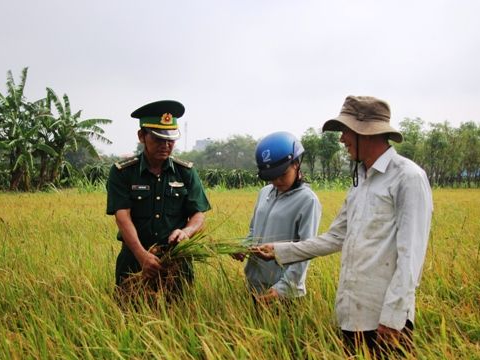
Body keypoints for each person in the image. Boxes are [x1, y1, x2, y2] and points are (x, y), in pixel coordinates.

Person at [253, 96, 433, 358]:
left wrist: (394, 317)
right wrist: (279, 251)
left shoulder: (407, 177)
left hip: (385, 319)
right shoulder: (361, 178)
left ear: (366, 132)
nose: (342, 139)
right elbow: (336, 237)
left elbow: (411, 257)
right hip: (352, 314)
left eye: (346, 131)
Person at [106, 100, 211, 300]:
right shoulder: (123, 172)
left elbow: (198, 213)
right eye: (158, 139)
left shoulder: (185, 172)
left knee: (178, 320)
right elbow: (122, 216)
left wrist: (186, 232)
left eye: (170, 140)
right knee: (128, 318)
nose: (165, 145)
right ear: (142, 136)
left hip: (176, 262)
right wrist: (141, 255)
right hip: (134, 261)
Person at [235, 131, 321, 303]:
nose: (277, 181)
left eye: (282, 174)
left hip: (283, 292)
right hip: (255, 284)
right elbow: (254, 230)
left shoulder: (307, 200)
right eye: (272, 177)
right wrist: (244, 247)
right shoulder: (265, 192)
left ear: (296, 163)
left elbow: (307, 250)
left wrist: (282, 289)